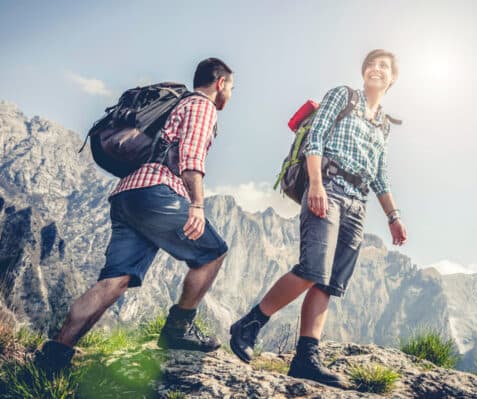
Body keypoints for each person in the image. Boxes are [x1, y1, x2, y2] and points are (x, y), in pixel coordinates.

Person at [35, 57, 234, 373]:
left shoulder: (177, 105)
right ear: (220, 83)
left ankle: (55, 355)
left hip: (128, 192)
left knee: (114, 279)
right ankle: (178, 329)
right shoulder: (201, 105)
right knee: (213, 253)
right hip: (157, 190)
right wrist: (196, 204)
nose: (230, 95)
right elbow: (191, 158)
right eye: (231, 87)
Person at [230, 49, 407, 389]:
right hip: (328, 188)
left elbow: (381, 176)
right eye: (371, 64)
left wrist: (393, 217)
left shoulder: (384, 124)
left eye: (384, 67)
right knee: (312, 268)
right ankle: (250, 324)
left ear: (393, 78)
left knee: (329, 282)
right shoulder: (343, 96)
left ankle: (305, 359)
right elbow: (317, 137)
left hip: (359, 203)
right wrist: (315, 183)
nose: (376, 69)